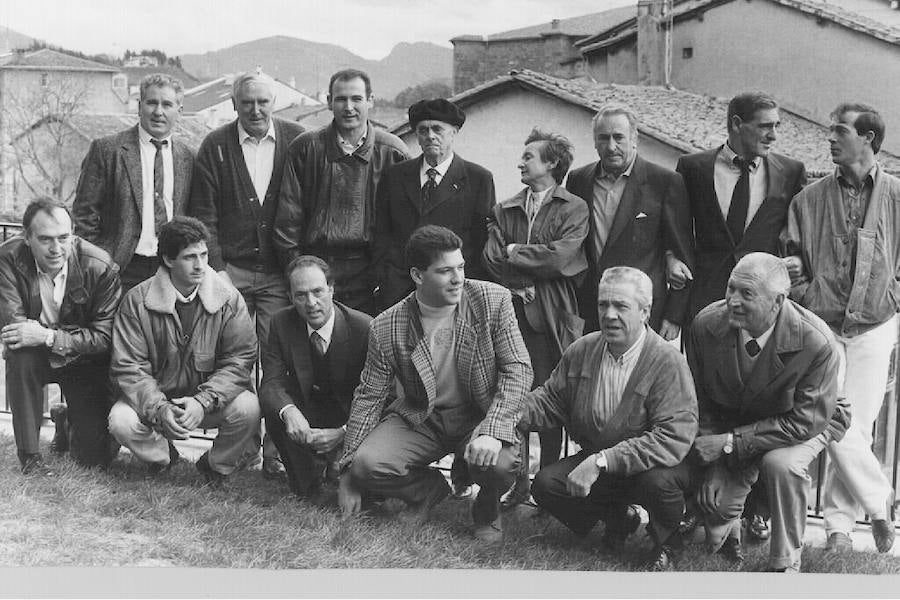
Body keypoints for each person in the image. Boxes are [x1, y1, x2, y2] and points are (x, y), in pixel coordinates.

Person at [337, 225, 532, 544]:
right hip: (422, 417)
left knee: (499, 463)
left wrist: (493, 430)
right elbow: (369, 397)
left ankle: (487, 509)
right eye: (445, 271)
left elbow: (518, 369)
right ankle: (428, 490)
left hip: (479, 414)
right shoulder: (387, 326)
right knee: (367, 465)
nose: (458, 279)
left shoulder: (492, 300)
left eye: (461, 267)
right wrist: (348, 472)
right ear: (417, 275)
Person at [521, 266, 698, 570]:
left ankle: (668, 541)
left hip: (654, 467)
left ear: (645, 311)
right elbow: (550, 400)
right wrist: (507, 414)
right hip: (604, 463)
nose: (609, 315)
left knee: (658, 483)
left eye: (621, 306)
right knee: (547, 484)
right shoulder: (582, 349)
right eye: (603, 304)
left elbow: (672, 437)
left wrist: (602, 460)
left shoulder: (668, 362)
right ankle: (620, 519)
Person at [685, 253, 850, 572]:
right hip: (741, 423)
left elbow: (804, 421)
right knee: (716, 511)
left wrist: (730, 443)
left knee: (781, 464)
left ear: (778, 301)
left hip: (809, 419)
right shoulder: (705, 325)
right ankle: (731, 523)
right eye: (731, 288)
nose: (733, 300)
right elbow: (699, 401)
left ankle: (785, 562)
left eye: (747, 293)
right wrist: (715, 466)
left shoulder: (816, 341)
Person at [782, 102, 898, 554]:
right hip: (823, 325)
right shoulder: (807, 199)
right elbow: (791, 259)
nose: (830, 138)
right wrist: (809, 295)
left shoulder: (897, 196)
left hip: (875, 325)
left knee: (858, 426)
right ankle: (879, 503)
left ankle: (839, 528)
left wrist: (892, 295)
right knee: (831, 417)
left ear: (868, 138)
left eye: (840, 131)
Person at [189, 71, 306, 480]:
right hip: (231, 271)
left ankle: (277, 452)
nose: (255, 110)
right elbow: (203, 214)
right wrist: (218, 270)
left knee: (279, 362)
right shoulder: (216, 145)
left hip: (279, 272)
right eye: (246, 102)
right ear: (234, 104)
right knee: (234, 358)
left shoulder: (297, 139)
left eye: (262, 102)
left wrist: (297, 268)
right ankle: (242, 449)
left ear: (274, 103)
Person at [107, 217, 260, 485]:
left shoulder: (229, 297)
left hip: (208, 401)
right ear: (168, 260)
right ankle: (163, 457)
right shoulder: (136, 301)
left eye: (204, 255)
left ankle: (215, 465)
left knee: (249, 407)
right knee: (121, 420)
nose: (200, 265)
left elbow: (240, 359)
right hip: (157, 401)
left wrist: (203, 401)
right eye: (190, 257)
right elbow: (129, 367)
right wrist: (160, 408)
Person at [482, 127, 588, 509]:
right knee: (513, 394)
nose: (520, 163)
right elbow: (491, 258)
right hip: (510, 313)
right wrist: (523, 273)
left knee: (550, 397)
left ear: (552, 163)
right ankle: (518, 482)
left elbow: (561, 258)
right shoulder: (505, 208)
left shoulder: (574, 208)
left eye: (528, 157)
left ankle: (547, 484)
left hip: (552, 315)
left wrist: (515, 251)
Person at [273, 69, 409, 315]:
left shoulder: (393, 152)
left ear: (370, 100)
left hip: (373, 274)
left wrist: (387, 278)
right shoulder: (305, 148)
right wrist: (300, 273)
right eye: (341, 99)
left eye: (356, 99)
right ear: (328, 102)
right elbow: (287, 222)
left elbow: (404, 227)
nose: (349, 107)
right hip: (316, 272)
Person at [0, 199, 121, 474]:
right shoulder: (7, 258)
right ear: (27, 237)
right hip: (33, 354)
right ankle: (30, 456)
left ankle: (64, 420)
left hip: (83, 359)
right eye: (45, 239)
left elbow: (103, 338)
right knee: (20, 355)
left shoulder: (100, 266)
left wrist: (48, 336)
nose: (56, 248)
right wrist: (38, 338)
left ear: (74, 234)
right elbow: (15, 328)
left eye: (63, 238)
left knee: (94, 460)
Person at [675, 91, 806, 324]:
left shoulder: (791, 172)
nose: (773, 136)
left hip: (762, 305)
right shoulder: (693, 168)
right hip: (704, 301)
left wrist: (799, 260)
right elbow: (677, 233)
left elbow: (802, 232)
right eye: (764, 126)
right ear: (737, 124)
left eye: (776, 126)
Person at [565, 104, 692, 338]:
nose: (611, 146)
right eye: (603, 138)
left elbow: (681, 253)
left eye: (618, 137)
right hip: (590, 308)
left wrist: (674, 316)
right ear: (594, 142)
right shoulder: (578, 180)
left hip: (641, 310)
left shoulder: (664, 181)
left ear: (634, 139)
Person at [259, 255, 372, 499]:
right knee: (276, 408)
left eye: (318, 291)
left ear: (331, 289)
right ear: (290, 297)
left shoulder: (364, 328)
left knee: (370, 491)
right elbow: (271, 382)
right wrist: (289, 411)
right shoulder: (281, 322)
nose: (311, 303)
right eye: (301, 295)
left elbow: (378, 397)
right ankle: (308, 485)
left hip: (350, 415)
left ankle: (343, 466)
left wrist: (344, 432)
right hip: (308, 412)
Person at [73, 73, 194, 293]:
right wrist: (99, 260)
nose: (158, 112)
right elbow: (84, 214)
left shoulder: (189, 157)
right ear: (139, 107)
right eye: (151, 103)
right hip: (119, 268)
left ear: (180, 111)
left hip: (171, 270)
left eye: (167, 104)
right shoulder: (107, 151)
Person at [374, 98, 496, 310]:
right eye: (423, 130)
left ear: (454, 132)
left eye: (437, 129)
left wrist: (467, 288)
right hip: (398, 290)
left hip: (452, 291)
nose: (430, 136)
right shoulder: (395, 176)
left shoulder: (478, 178)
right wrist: (383, 279)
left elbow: (481, 241)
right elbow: (381, 233)